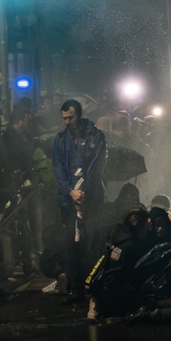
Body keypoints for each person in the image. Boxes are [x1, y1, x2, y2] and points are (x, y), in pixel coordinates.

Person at [52, 99, 106, 304]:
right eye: (64, 118)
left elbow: (95, 167)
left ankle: (92, 284)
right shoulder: (59, 140)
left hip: (90, 200)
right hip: (68, 202)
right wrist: (70, 193)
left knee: (92, 242)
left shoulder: (96, 136)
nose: (67, 122)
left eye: (70, 117)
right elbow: (58, 170)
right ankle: (76, 287)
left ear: (80, 114)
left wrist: (82, 193)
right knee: (71, 244)